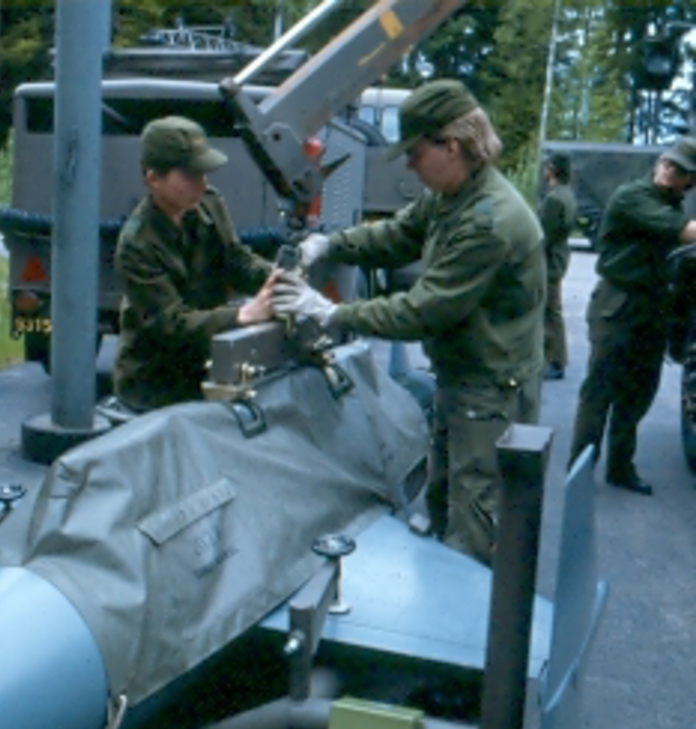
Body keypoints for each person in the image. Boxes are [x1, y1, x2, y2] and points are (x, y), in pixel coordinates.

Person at [274, 79, 545, 565]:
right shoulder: (452, 195)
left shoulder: (488, 222)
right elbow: (398, 234)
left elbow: (423, 309)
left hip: (490, 388)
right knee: (444, 498)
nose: (409, 165)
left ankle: (465, 608)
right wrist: (332, 243)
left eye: (416, 153)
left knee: (472, 522)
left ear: (452, 145)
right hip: (464, 375)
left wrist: (331, 311)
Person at [112, 115, 280, 411]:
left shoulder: (209, 204)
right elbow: (171, 325)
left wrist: (274, 279)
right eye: (190, 176)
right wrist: (243, 314)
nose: (202, 185)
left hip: (207, 370)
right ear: (153, 179)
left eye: (204, 173)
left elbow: (235, 259)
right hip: (154, 387)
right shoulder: (137, 245)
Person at [568, 137, 696, 496]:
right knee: (599, 393)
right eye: (668, 163)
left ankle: (620, 467)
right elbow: (686, 232)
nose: (669, 170)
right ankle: (579, 473)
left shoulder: (670, 202)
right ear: (660, 162)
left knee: (637, 394)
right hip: (618, 305)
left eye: (680, 170)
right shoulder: (634, 197)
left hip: (651, 308)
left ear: (690, 181)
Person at [539, 153, 578, 381]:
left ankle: (555, 360)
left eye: (547, 166)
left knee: (550, 312)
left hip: (549, 260)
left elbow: (544, 235)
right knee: (551, 310)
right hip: (558, 256)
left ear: (552, 169)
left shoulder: (554, 198)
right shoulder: (567, 194)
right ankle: (553, 359)